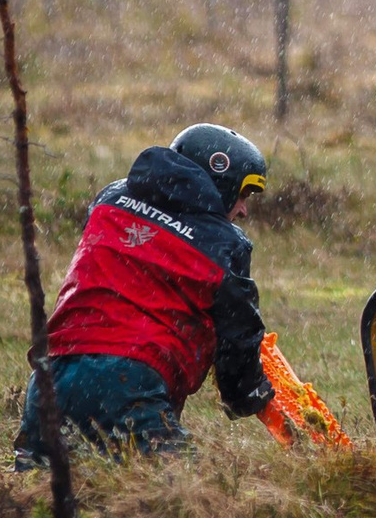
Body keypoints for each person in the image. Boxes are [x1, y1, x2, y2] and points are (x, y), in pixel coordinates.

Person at [15, 123, 276, 465]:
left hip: (50, 376)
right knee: (183, 492)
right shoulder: (226, 244)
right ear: (221, 184)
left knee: (43, 488)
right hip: (128, 380)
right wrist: (248, 394)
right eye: (243, 195)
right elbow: (238, 336)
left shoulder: (110, 199)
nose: (243, 210)